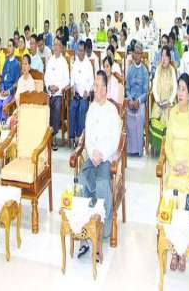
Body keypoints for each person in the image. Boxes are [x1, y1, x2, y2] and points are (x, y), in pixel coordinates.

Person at [75, 70, 122, 261]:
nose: (97, 89)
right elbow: (87, 137)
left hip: (106, 158)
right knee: (81, 182)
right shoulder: (91, 108)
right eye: (95, 85)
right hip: (92, 157)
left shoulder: (112, 110)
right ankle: (84, 233)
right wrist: (92, 151)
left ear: (105, 88)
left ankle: (100, 234)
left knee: (102, 184)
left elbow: (115, 139)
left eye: (100, 86)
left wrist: (101, 153)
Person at [163, 73, 189, 272]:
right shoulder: (172, 114)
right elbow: (168, 145)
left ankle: (183, 249)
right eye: (178, 89)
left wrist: (187, 165)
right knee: (171, 199)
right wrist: (174, 163)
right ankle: (174, 250)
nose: (180, 93)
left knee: (187, 198)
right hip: (174, 169)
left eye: (183, 89)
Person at [150, 47, 177, 157]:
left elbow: (175, 89)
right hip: (159, 102)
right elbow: (154, 87)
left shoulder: (172, 70)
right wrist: (157, 100)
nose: (163, 58)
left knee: (169, 120)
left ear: (169, 58)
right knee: (155, 119)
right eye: (162, 55)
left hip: (169, 104)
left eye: (166, 56)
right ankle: (156, 146)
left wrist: (169, 101)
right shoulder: (158, 69)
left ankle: (166, 148)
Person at [44, 39, 70, 151]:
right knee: (45, 107)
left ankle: (53, 136)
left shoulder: (64, 62)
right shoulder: (50, 60)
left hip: (59, 93)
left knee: (56, 106)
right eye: (54, 45)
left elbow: (67, 80)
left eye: (57, 45)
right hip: (49, 92)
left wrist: (58, 87)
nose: (55, 47)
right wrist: (49, 86)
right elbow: (46, 77)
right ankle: (46, 136)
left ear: (61, 47)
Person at [125, 43, 149, 156]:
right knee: (128, 114)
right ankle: (130, 149)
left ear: (142, 54)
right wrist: (130, 100)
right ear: (133, 54)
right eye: (136, 53)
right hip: (131, 101)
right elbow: (127, 88)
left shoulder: (144, 71)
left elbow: (146, 91)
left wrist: (138, 101)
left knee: (139, 115)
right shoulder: (130, 69)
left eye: (139, 53)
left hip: (140, 101)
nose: (137, 55)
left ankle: (138, 149)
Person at [69, 41, 94, 148]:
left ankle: (80, 136)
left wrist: (87, 91)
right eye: (78, 51)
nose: (80, 53)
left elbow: (92, 81)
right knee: (72, 109)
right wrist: (73, 86)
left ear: (85, 51)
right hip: (76, 94)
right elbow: (72, 79)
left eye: (82, 51)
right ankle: (72, 136)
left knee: (82, 109)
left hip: (84, 96)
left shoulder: (88, 64)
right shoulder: (75, 63)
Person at [0, 42, 20, 124]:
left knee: (4, 105)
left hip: (11, 93)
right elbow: (2, 80)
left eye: (10, 46)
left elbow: (17, 82)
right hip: (3, 92)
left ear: (14, 48)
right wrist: (1, 89)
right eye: (8, 46)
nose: (9, 48)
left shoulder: (16, 64)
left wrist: (8, 91)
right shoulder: (6, 62)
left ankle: (3, 127)